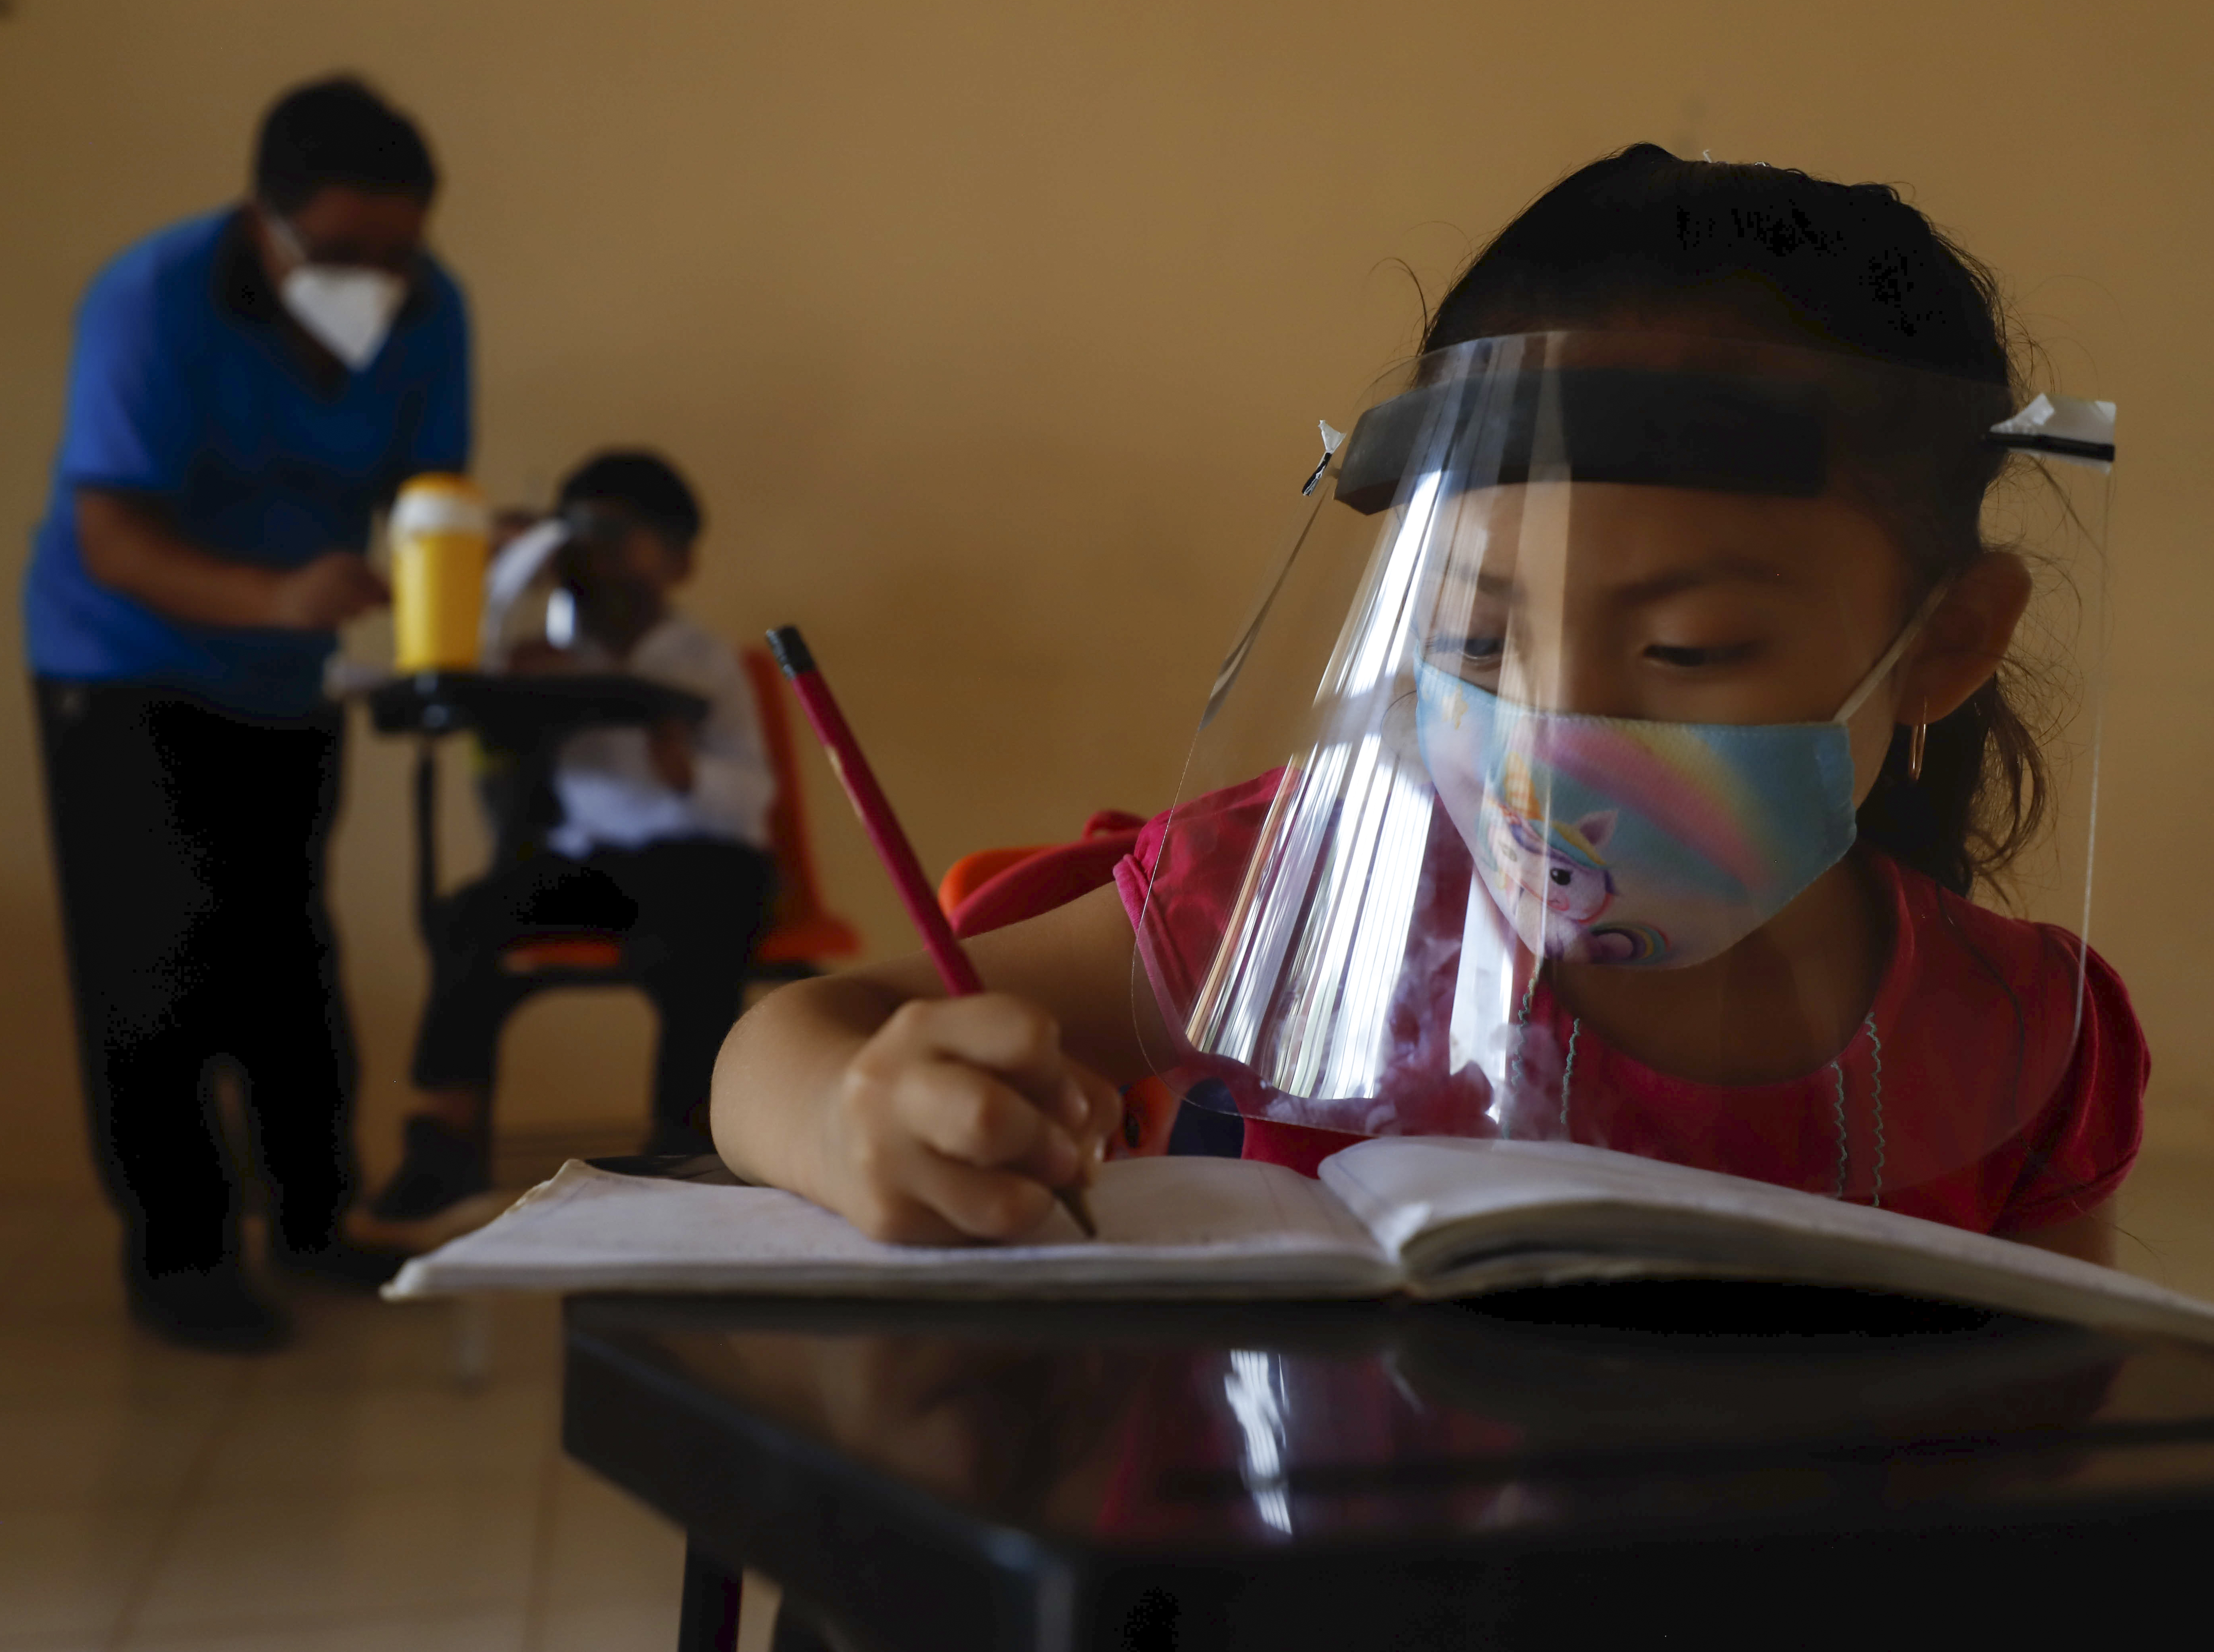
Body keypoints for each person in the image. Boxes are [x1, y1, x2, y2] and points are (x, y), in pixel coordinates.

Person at [707, 146, 2144, 1262]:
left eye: (1692, 649)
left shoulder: (2029, 1038)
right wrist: (860, 1120)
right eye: (1471, 633)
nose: (1555, 726)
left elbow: (2071, 1446)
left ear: (1950, 641)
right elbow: (779, 1042)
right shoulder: (1294, 889)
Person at [24, 76, 470, 1351]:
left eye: (400, 252)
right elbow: (109, 530)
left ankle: (321, 1221)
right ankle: (182, 1254)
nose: (376, 279)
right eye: (341, 255)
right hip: (117, 668)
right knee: (155, 967)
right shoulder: (151, 301)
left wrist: (458, 595)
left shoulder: (431, 310)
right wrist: (277, 592)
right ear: (263, 222)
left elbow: (430, 489)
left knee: (285, 957)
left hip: (287, 682)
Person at [355, 450, 778, 1248]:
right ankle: (444, 1143)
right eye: (577, 534)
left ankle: (682, 1151)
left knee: (696, 938)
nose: (596, 552)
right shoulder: (541, 651)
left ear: (678, 558)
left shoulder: (705, 662)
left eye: (620, 535)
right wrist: (511, 693)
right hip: (591, 868)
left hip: (699, 855)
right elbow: (505, 788)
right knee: (469, 919)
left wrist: (686, 772)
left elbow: (753, 797)